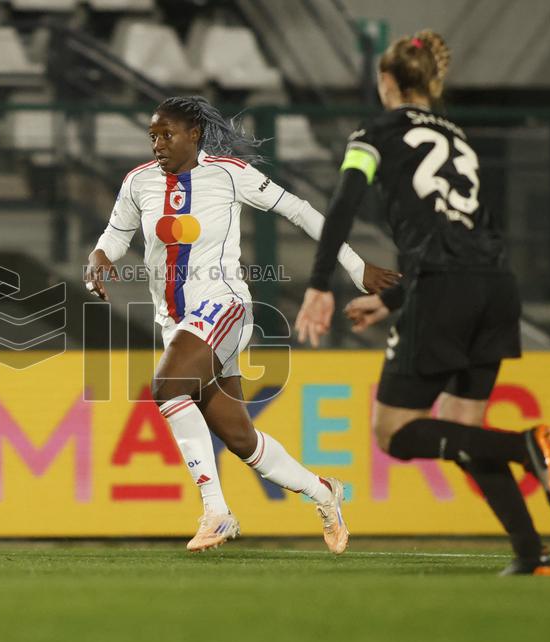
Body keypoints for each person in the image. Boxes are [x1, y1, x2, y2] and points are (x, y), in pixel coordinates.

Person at [295, 31, 550, 575]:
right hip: (495, 286)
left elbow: (345, 201)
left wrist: (320, 282)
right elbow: (468, 233)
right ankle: (531, 552)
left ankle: (525, 447)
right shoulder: (459, 137)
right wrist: (394, 299)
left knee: (394, 433)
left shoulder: (375, 133)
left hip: (445, 288)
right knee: (465, 431)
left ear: (387, 81)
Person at [86, 96, 400, 553]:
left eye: (167, 135)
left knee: (167, 387)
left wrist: (356, 267)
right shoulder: (138, 182)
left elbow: (300, 210)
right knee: (239, 438)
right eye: (153, 136)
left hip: (223, 306)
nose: (158, 144)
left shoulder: (229, 173)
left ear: (194, 135)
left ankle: (217, 512)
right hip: (176, 323)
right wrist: (98, 257)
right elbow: (116, 235)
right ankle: (324, 492)